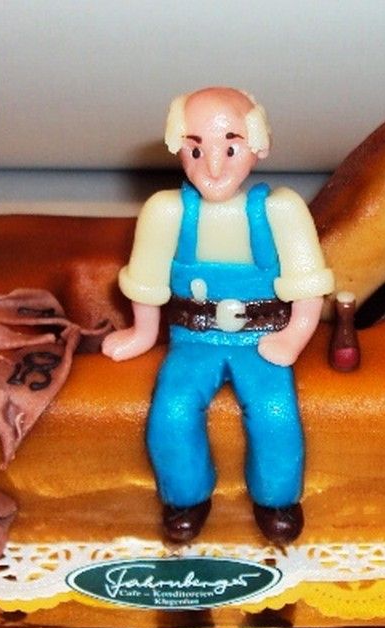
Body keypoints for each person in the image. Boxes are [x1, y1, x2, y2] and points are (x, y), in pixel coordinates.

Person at [102, 87, 334, 544]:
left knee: (274, 410)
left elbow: (307, 283)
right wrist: (143, 333)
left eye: (230, 148)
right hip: (194, 336)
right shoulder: (165, 212)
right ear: (178, 148)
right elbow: (147, 280)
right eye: (195, 149)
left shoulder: (281, 210)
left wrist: (295, 334)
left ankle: (277, 499)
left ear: (259, 145)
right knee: (172, 408)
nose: (213, 166)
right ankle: (186, 497)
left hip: (264, 334)